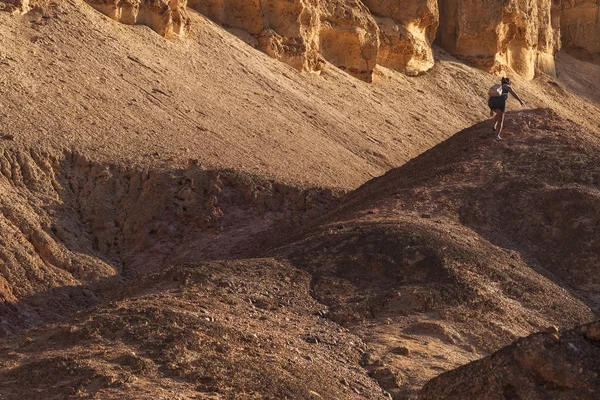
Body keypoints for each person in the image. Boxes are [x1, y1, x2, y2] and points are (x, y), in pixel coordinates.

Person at [488, 77, 525, 141]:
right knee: (501, 120)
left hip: (491, 102)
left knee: (498, 114)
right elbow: (514, 94)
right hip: (500, 103)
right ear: (509, 82)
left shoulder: (498, 87)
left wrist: (491, 109)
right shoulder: (508, 87)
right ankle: (497, 136)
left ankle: (494, 124)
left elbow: (494, 96)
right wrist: (520, 101)